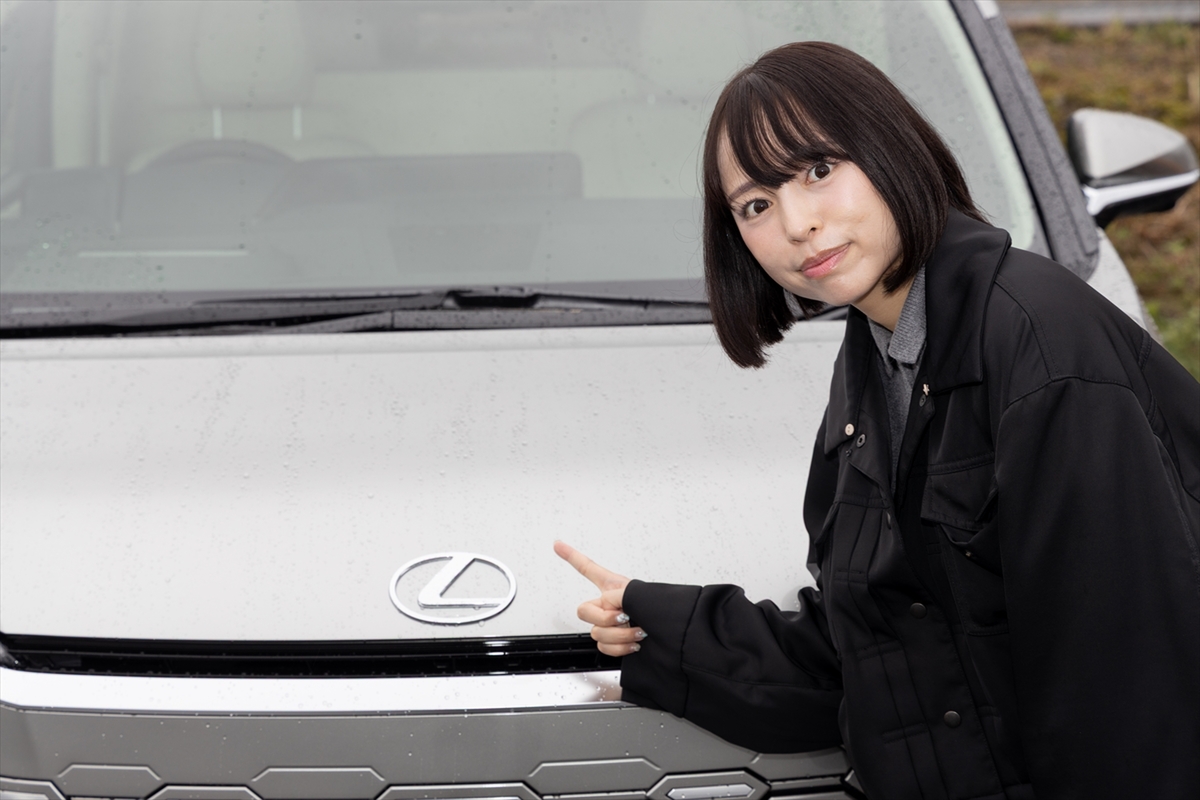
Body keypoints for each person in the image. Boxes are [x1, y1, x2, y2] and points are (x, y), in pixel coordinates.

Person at [554, 42, 1200, 800]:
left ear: (889, 147)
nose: (797, 223)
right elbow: (873, 655)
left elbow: (1131, 692)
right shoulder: (874, 361)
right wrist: (666, 628)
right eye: (756, 205)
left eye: (817, 170)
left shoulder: (1042, 344)